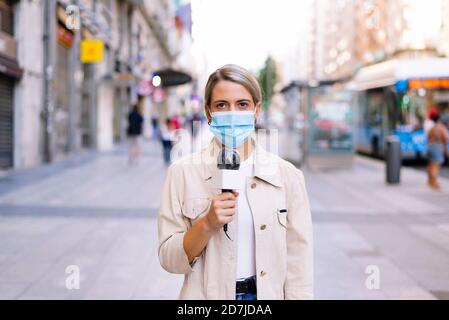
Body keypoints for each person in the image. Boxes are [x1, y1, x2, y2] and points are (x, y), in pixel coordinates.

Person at [157, 64, 313, 300]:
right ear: (208, 112)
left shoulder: (287, 176)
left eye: (242, 104)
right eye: (221, 105)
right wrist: (206, 224)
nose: (232, 113)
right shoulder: (182, 173)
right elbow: (169, 259)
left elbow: (299, 260)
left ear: (256, 110)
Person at [427, 112, 449, 190]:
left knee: (431, 164)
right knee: (436, 166)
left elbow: (428, 136)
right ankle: (434, 183)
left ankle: (430, 181)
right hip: (437, 146)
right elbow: (446, 138)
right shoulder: (441, 127)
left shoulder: (433, 127)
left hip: (430, 145)